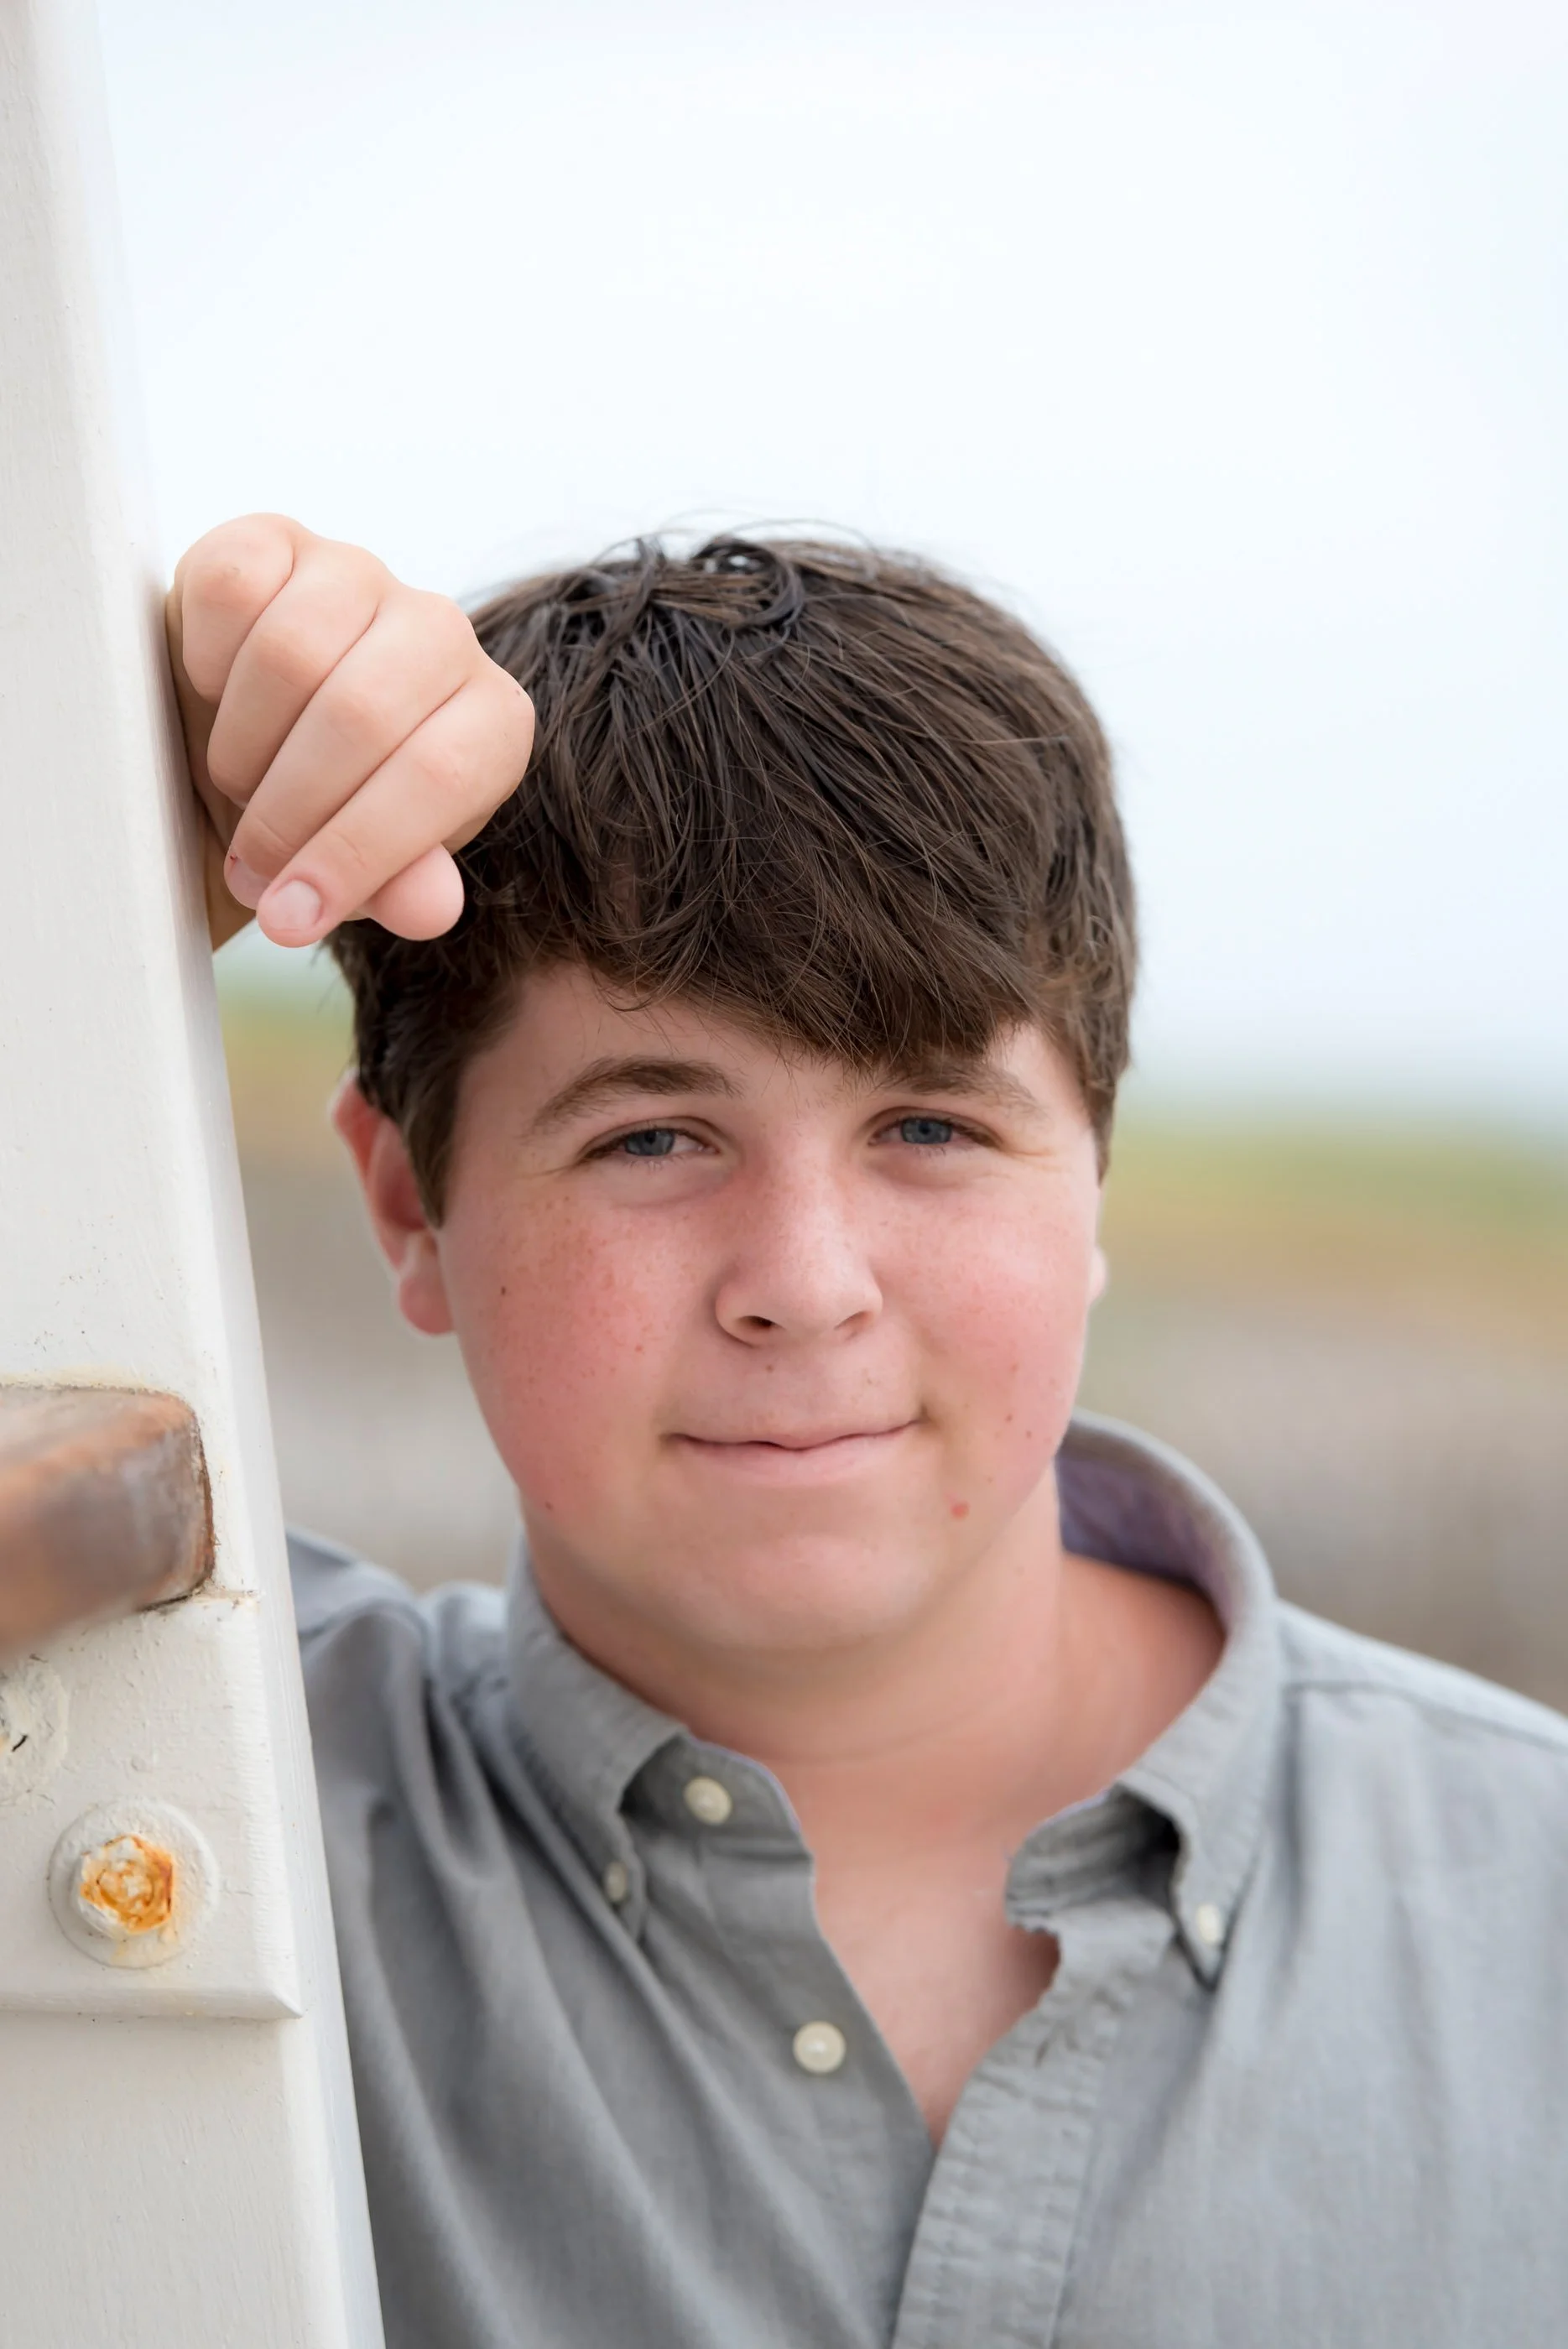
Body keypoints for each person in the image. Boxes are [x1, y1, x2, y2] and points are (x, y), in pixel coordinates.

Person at [165, 514, 1568, 2348]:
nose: (803, 1283)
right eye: (650, 1135)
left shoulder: (1530, 1899)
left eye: (929, 1127)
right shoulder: (192, 1808)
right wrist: (89, 868)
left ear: (1095, 1179)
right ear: (409, 1206)